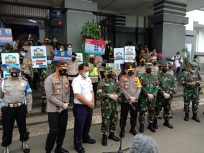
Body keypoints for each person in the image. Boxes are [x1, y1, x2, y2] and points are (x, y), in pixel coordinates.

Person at [0, 64, 32, 153]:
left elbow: (28, 95)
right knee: (7, 128)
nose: (14, 72)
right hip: (8, 108)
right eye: (13, 71)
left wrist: (29, 108)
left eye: (16, 71)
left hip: (21, 107)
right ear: (10, 71)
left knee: (22, 126)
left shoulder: (25, 81)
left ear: (19, 72)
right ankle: (6, 145)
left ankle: (24, 142)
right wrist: (1, 110)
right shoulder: (4, 82)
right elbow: (0, 97)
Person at [44, 62, 70, 153]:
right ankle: (48, 150)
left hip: (64, 109)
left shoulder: (65, 79)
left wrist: (66, 102)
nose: (64, 71)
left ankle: (58, 147)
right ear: (57, 68)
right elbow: (50, 96)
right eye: (62, 69)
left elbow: (68, 92)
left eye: (65, 69)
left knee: (62, 129)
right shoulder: (49, 79)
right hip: (53, 110)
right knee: (53, 131)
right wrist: (62, 104)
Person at [72, 63, 96, 153]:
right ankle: (78, 144)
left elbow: (91, 90)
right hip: (80, 106)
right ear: (80, 71)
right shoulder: (76, 81)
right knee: (79, 126)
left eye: (88, 70)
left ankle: (85, 137)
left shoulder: (88, 79)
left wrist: (93, 101)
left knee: (87, 123)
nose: (87, 72)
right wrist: (88, 103)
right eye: (85, 70)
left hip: (89, 105)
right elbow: (78, 95)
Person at [97, 66, 122, 146]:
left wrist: (117, 95)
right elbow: (99, 93)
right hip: (106, 105)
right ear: (104, 73)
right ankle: (104, 136)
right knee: (105, 121)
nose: (110, 74)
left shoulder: (114, 81)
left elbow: (120, 89)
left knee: (114, 120)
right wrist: (109, 95)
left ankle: (112, 134)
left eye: (111, 72)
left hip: (114, 104)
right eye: (108, 72)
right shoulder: (101, 82)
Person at [119, 65, 142, 138]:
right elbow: (122, 89)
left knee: (134, 115)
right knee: (123, 116)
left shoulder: (136, 78)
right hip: (125, 101)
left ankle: (133, 128)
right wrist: (129, 97)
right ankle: (122, 129)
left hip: (135, 100)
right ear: (125, 70)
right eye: (129, 70)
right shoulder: (122, 78)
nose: (130, 72)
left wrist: (135, 97)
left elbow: (139, 88)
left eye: (132, 70)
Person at [138, 63, 159, 133]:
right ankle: (141, 124)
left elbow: (157, 86)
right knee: (142, 111)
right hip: (144, 97)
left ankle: (150, 124)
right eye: (148, 68)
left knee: (152, 110)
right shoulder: (141, 76)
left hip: (152, 97)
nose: (149, 69)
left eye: (150, 68)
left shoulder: (155, 76)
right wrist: (147, 94)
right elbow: (140, 86)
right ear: (145, 68)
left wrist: (153, 94)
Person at [154, 63, 175, 130]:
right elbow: (156, 86)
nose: (165, 67)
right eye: (163, 66)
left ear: (168, 67)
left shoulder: (171, 76)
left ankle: (166, 121)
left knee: (167, 109)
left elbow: (173, 85)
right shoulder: (157, 76)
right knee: (157, 109)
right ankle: (155, 122)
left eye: (166, 66)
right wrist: (163, 93)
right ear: (161, 68)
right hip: (160, 96)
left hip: (168, 96)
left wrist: (169, 93)